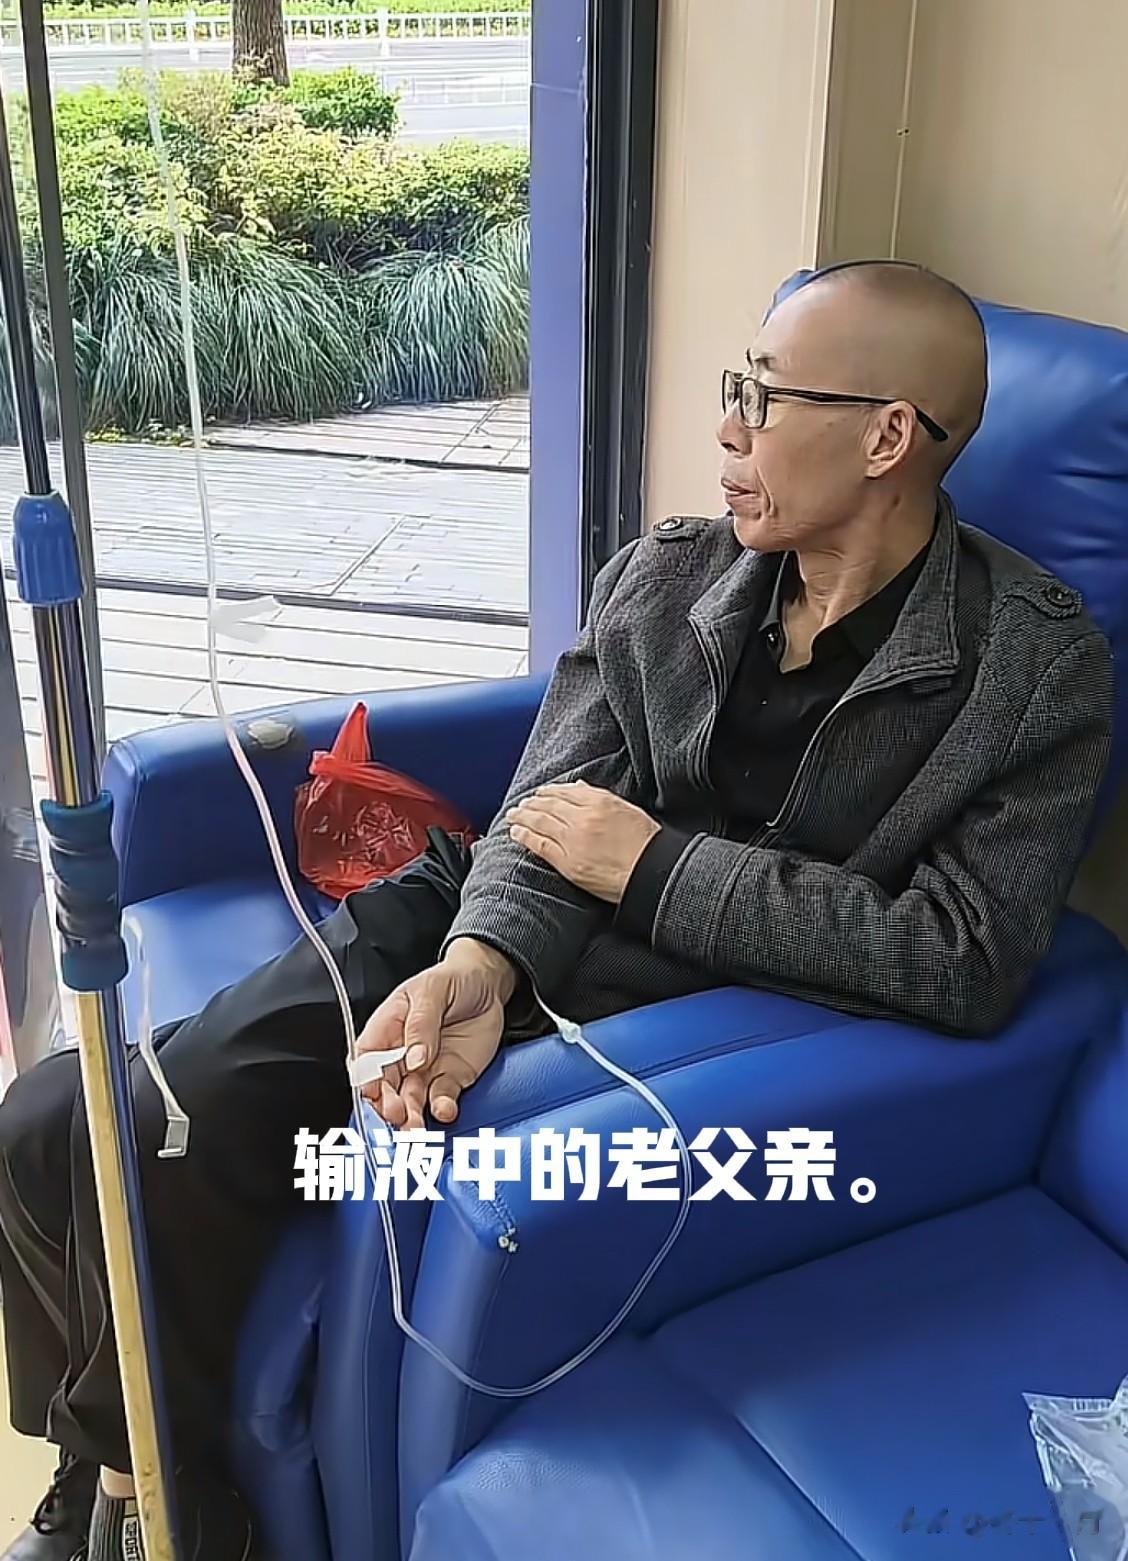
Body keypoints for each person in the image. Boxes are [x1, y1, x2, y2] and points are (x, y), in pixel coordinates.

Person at [0, 261, 1113, 1561]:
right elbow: (546, 811)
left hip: (667, 1011)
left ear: (887, 437)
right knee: (57, 1120)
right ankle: (118, 1471)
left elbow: (964, 956)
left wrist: (653, 868)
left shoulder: (1034, 671)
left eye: (765, 396)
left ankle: (157, 1500)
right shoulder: (670, 575)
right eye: (734, 387)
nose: (727, 427)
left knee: (166, 1138)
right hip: (479, 913)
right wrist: (478, 963)